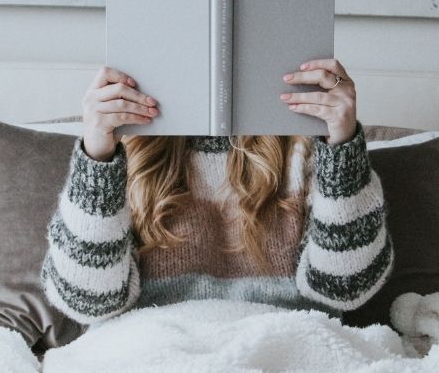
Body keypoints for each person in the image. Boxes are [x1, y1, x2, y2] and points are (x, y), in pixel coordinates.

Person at [39, 58, 395, 326]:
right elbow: (85, 299)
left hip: (283, 346)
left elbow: (347, 287)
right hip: (155, 349)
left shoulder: (310, 148)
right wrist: (97, 158)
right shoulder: (127, 151)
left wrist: (342, 148)